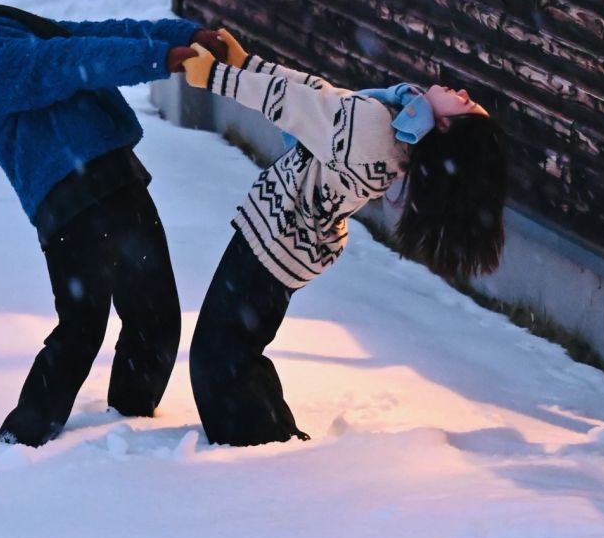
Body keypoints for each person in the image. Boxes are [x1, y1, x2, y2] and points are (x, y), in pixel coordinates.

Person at [0, 0, 227, 447]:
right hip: (72, 191)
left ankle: (129, 427)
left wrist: (179, 36)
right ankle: (20, 442)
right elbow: (60, 61)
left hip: (105, 175)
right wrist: (157, 57)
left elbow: (80, 37)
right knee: (87, 325)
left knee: (148, 316)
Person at [182, 29, 507, 447]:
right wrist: (247, 65)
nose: (461, 90)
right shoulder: (392, 124)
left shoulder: (375, 130)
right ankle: (269, 436)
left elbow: (297, 105)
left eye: (465, 102)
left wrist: (218, 78)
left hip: (278, 236)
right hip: (285, 238)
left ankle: (254, 449)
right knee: (236, 347)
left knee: (219, 354)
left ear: (444, 125)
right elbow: (321, 96)